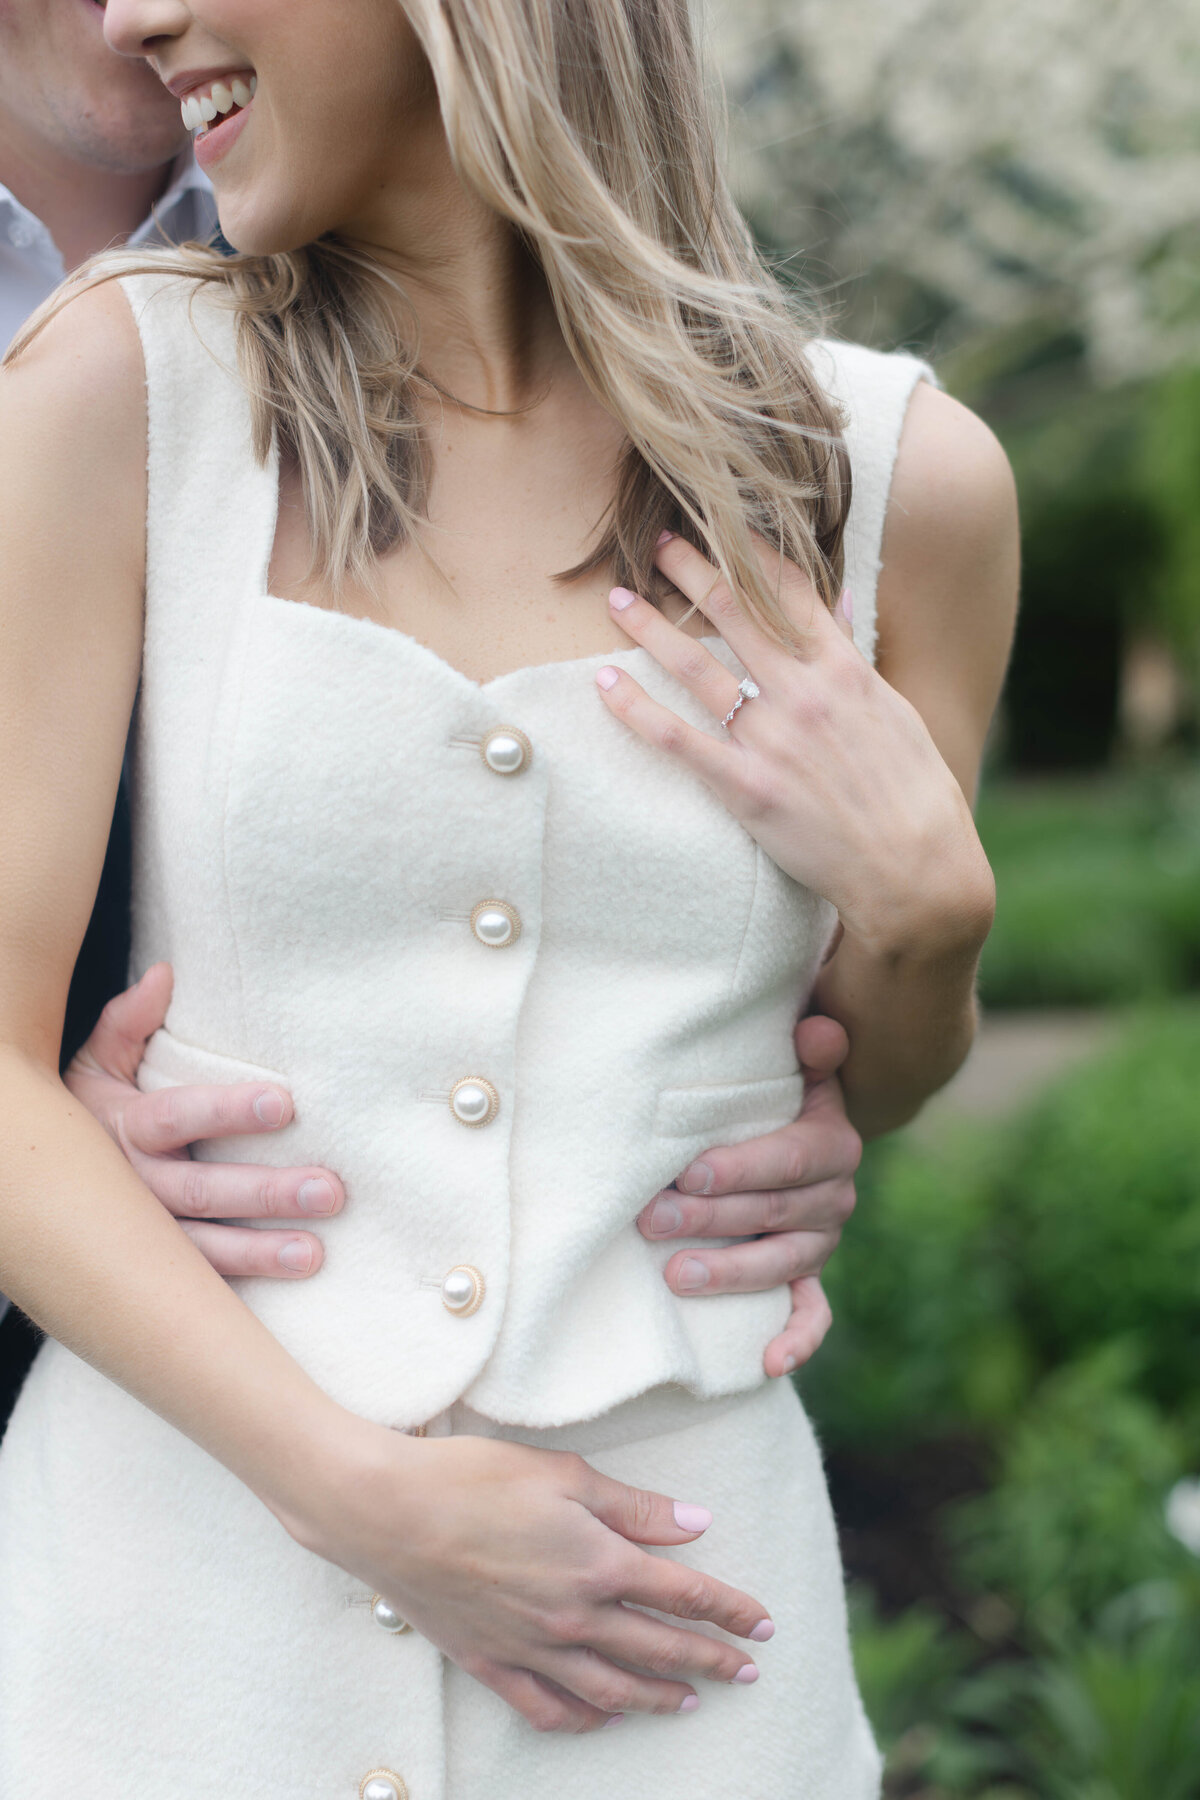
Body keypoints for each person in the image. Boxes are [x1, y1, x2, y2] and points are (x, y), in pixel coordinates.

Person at [0, 1, 1018, 1794]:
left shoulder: (893, 485)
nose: (131, 15)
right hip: (182, 1628)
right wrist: (354, 1492)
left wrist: (933, 926)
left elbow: (847, 1094)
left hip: (680, 1650)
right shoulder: (120, 398)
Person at [0, 0, 862, 1436]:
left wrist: (738, 1087)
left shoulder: (351, 211)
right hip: (169, 1450)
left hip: (464, 1448)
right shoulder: (111, 369)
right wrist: (51, 1184)